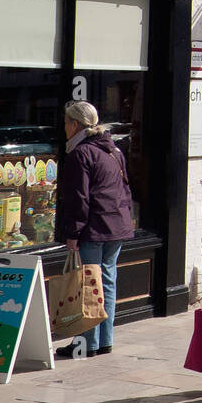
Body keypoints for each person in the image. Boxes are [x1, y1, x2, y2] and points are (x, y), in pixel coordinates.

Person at [55, 100, 134, 360]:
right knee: (106, 282)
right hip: (116, 225)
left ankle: (87, 343)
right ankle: (104, 341)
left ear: (75, 124)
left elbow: (80, 199)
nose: (64, 127)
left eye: (66, 122)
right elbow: (124, 189)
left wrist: (73, 234)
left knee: (89, 284)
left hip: (95, 227)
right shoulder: (113, 150)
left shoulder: (80, 153)